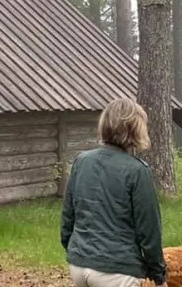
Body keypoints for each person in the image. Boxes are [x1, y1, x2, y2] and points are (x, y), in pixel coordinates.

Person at [61, 97, 167, 287]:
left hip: (79, 266)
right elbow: (149, 231)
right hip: (117, 272)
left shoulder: (82, 161)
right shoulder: (138, 171)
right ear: (136, 128)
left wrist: (76, 251)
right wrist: (159, 276)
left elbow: (68, 216)